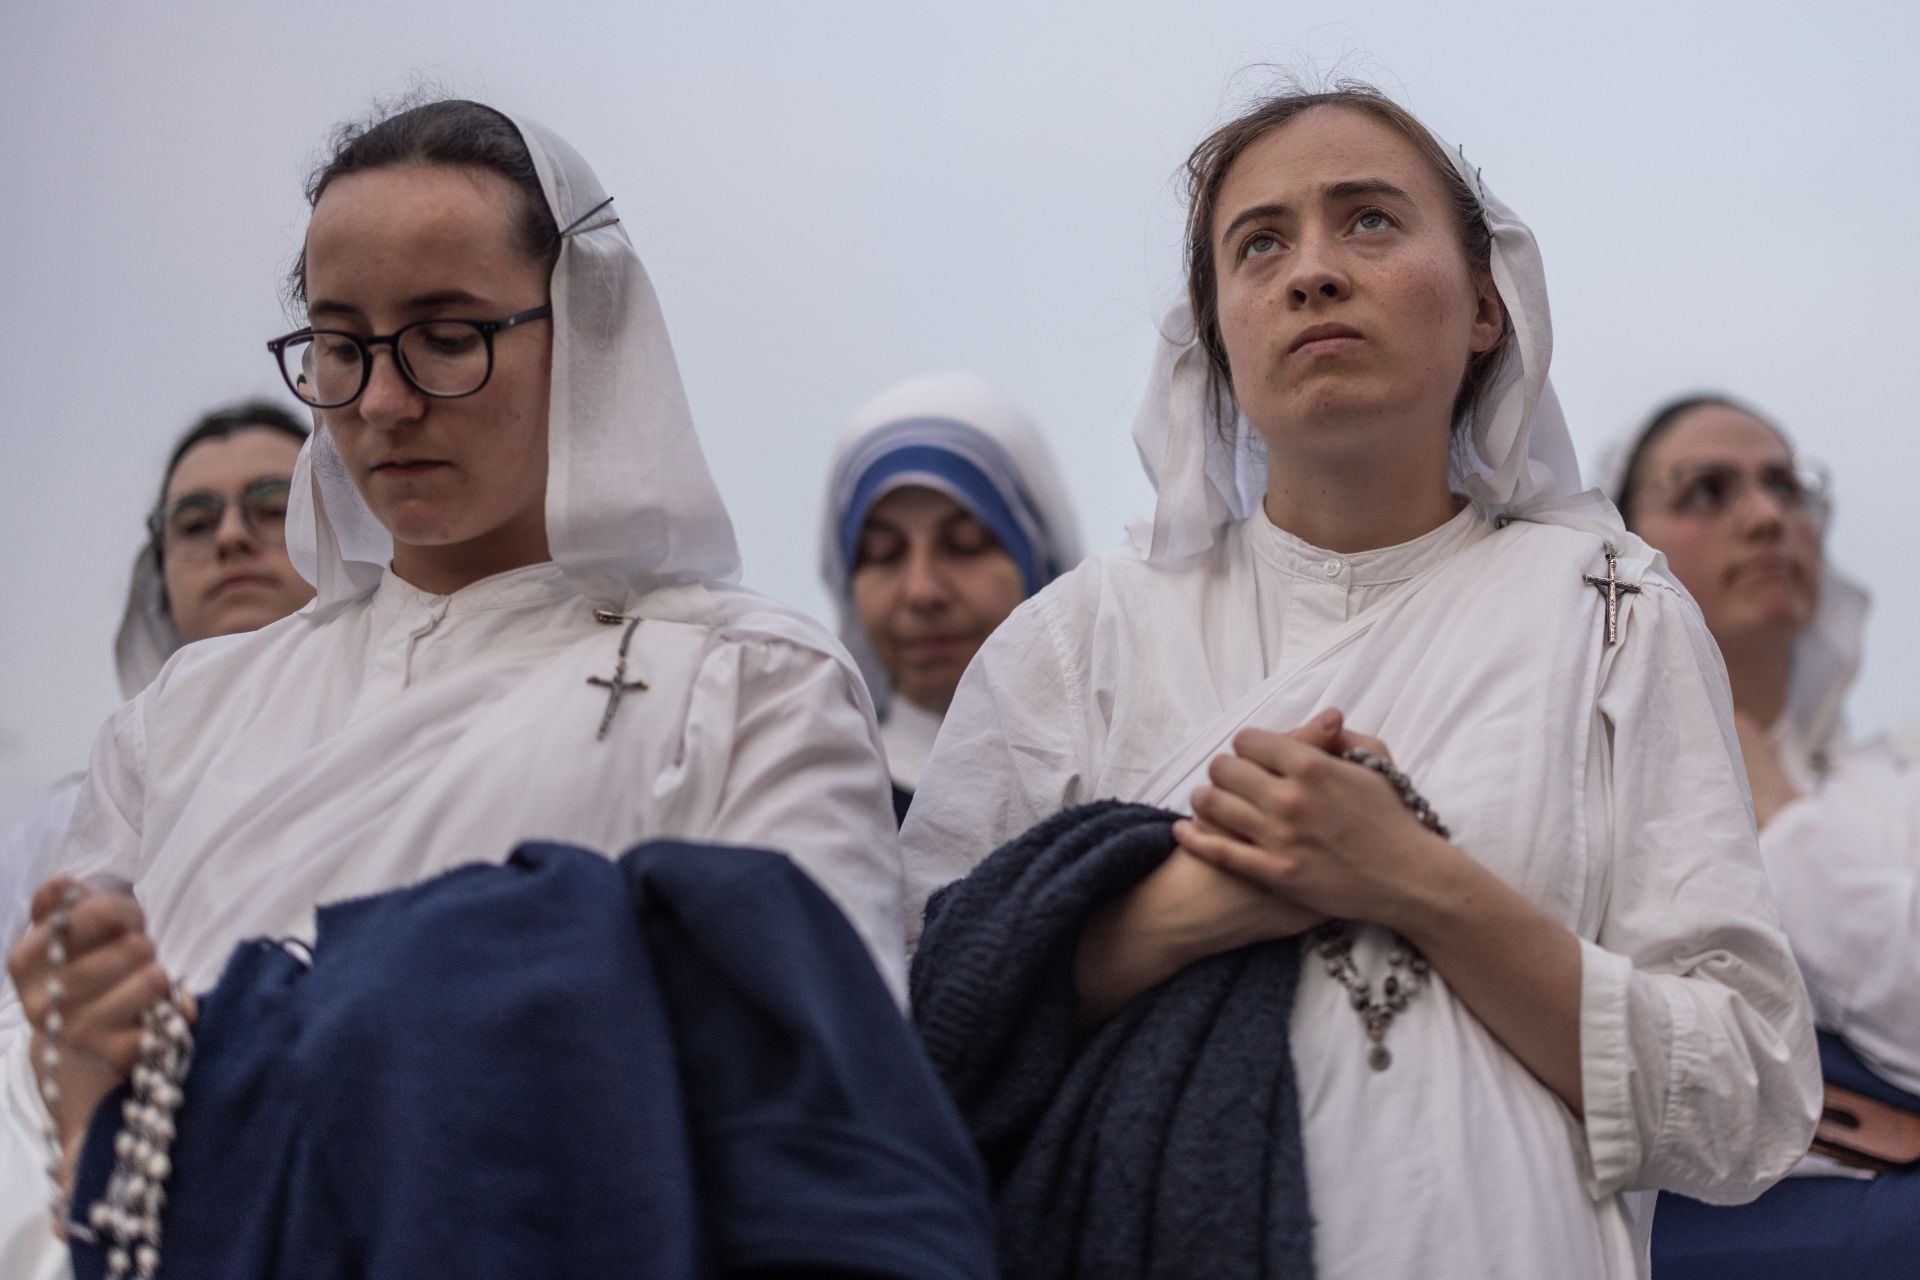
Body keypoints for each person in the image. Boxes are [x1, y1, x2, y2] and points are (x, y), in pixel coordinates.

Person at [902, 83, 1820, 1278]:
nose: (1315, 271)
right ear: (1216, 332)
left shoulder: (1610, 608)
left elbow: (1747, 1096)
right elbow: (919, 1047)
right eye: (1262, 242)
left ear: (1488, 306)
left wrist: (1417, 878)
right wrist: (1185, 908)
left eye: (1371, 221)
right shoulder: (1075, 642)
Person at [2, 99, 910, 1276]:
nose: (382, 402)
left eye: (445, 334)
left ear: (585, 333)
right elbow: (47, 1106)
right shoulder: (183, 719)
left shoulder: (748, 685)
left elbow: (811, 1102)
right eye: (342, 343)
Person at [1608, 394, 1920, 1277]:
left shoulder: (1897, 785)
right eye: (1707, 490)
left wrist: (1772, 795)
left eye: (1786, 487)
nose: (1764, 515)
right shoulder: (1570, 784)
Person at [0, 401, 314, 950]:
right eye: (194, 523)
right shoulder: (63, 830)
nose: (230, 537)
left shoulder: (420, 733)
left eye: (273, 507)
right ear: (158, 583)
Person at [821, 371, 1082, 823]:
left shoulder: (1130, 774)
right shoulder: (814, 808)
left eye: (966, 544)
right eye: (883, 553)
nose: (922, 591)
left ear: (1039, 563)